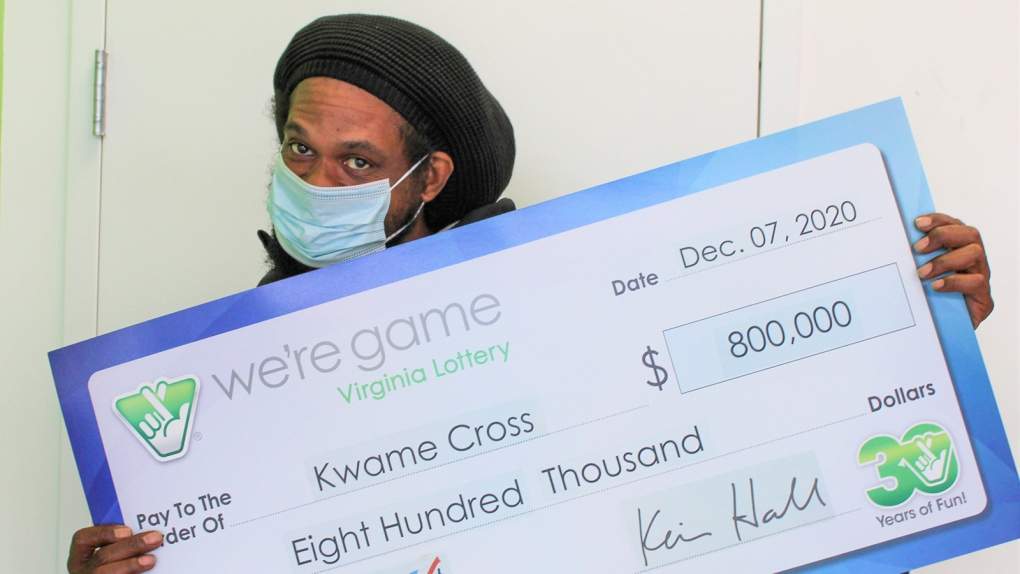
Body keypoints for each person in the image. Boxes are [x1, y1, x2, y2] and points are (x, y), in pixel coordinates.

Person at [65, 14, 994, 574]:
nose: (316, 181)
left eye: (357, 162)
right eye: (300, 149)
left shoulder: (555, 300)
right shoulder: (224, 380)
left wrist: (925, 318)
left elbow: (753, 420)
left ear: (430, 179)